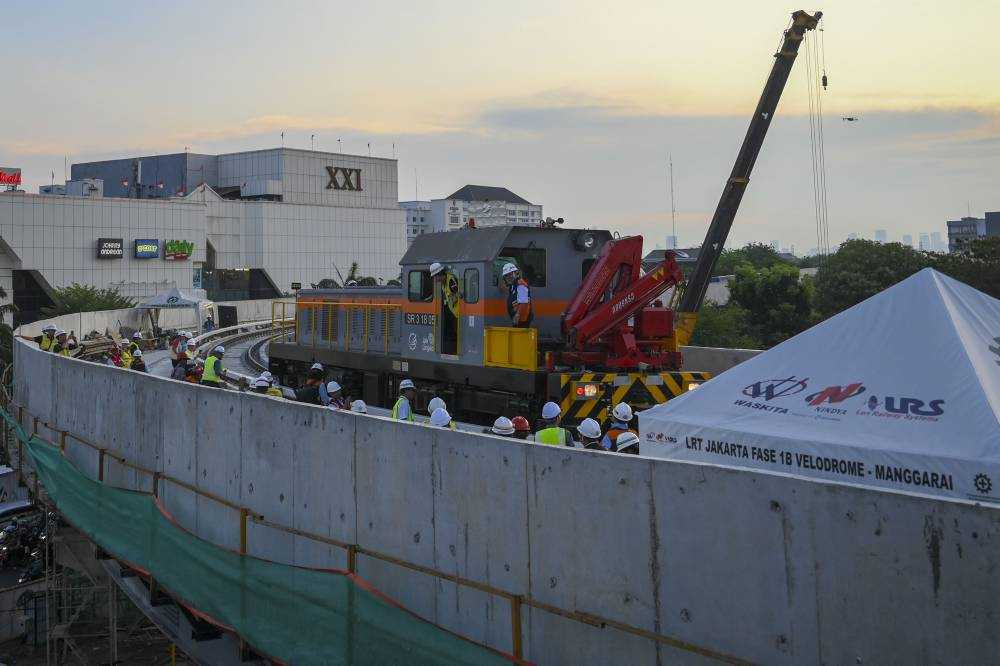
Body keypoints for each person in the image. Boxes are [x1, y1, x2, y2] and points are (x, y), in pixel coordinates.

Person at [501, 262, 532, 328]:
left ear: (516, 273)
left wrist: (517, 315)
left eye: (510, 274)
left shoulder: (521, 285)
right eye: (506, 276)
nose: (509, 277)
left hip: (522, 320)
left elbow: (523, 302)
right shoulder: (513, 286)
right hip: (518, 319)